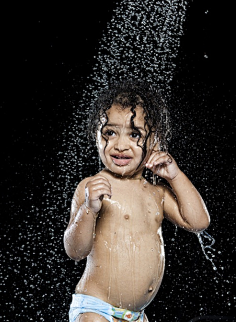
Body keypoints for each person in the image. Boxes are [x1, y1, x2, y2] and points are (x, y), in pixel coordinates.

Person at [64, 81, 210, 322]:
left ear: (155, 141)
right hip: (96, 310)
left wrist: (175, 176)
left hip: (136, 316)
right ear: (96, 136)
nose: (120, 145)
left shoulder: (157, 193)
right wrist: (88, 209)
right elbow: (75, 251)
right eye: (110, 133)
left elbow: (199, 221)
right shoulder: (92, 188)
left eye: (135, 134)